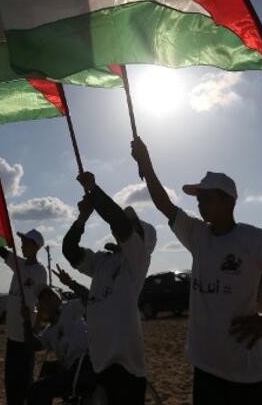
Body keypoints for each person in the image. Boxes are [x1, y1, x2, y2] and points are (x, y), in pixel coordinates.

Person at [131, 137, 262, 405]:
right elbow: (164, 204)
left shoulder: (253, 239)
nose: (199, 203)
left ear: (229, 202)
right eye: (198, 198)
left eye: (206, 197)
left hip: (249, 375)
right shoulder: (197, 235)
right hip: (205, 369)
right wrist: (146, 164)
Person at [63, 171, 156, 405]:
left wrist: (93, 189)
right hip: (99, 364)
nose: (128, 227)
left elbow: (119, 223)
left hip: (127, 370)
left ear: (143, 242)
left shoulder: (138, 261)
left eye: (135, 227)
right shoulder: (103, 261)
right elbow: (70, 251)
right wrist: (82, 218)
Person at [0, 230, 47, 405]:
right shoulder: (18, 264)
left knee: (25, 382)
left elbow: (43, 302)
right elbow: (1, 251)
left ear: (35, 246)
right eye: (22, 242)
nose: (22, 245)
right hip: (11, 334)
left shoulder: (40, 271)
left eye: (25, 242)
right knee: (11, 381)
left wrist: (36, 329)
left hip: (26, 336)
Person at [23, 285, 96, 405]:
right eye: (42, 302)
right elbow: (34, 345)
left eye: (49, 298)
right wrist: (26, 322)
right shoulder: (49, 331)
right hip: (72, 369)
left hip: (85, 365)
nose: (45, 304)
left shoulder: (70, 308)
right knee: (45, 374)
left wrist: (71, 283)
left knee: (39, 388)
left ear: (58, 299)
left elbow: (89, 298)